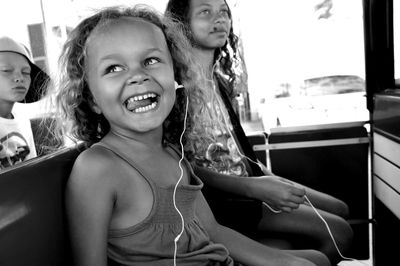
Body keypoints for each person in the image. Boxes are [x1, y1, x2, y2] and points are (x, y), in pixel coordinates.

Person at [53, 5, 330, 266]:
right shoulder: (97, 168)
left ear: (176, 76)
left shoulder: (173, 153)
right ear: (91, 99)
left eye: (151, 60)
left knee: (317, 261)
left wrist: (285, 262)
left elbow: (212, 231)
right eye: (114, 68)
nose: (138, 76)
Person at [165, 0, 353, 264]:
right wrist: (253, 188)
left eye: (223, 12)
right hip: (224, 201)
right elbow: (176, 166)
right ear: (181, 24)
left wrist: (267, 176)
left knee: (340, 209)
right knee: (340, 233)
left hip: (249, 182)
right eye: (205, 12)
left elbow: (237, 149)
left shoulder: (217, 82)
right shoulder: (176, 91)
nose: (219, 19)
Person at [0, 36, 42, 169]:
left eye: (26, 72)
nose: (19, 78)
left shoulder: (23, 122)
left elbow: (31, 170)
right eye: (6, 70)